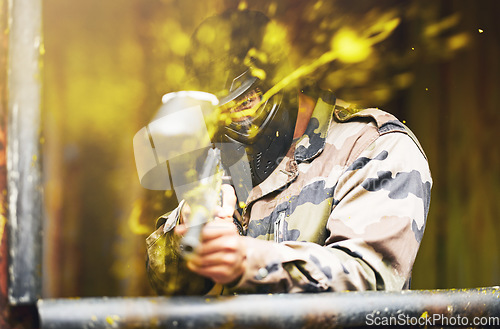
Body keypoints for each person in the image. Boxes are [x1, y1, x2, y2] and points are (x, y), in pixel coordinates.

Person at [145, 9, 432, 295]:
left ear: (282, 83)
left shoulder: (373, 145)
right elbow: (172, 284)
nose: (234, 122)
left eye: (245, 102)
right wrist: (189, 230)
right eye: (221, 111)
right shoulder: (224, 153)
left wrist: (247, 261)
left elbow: (368, 281)